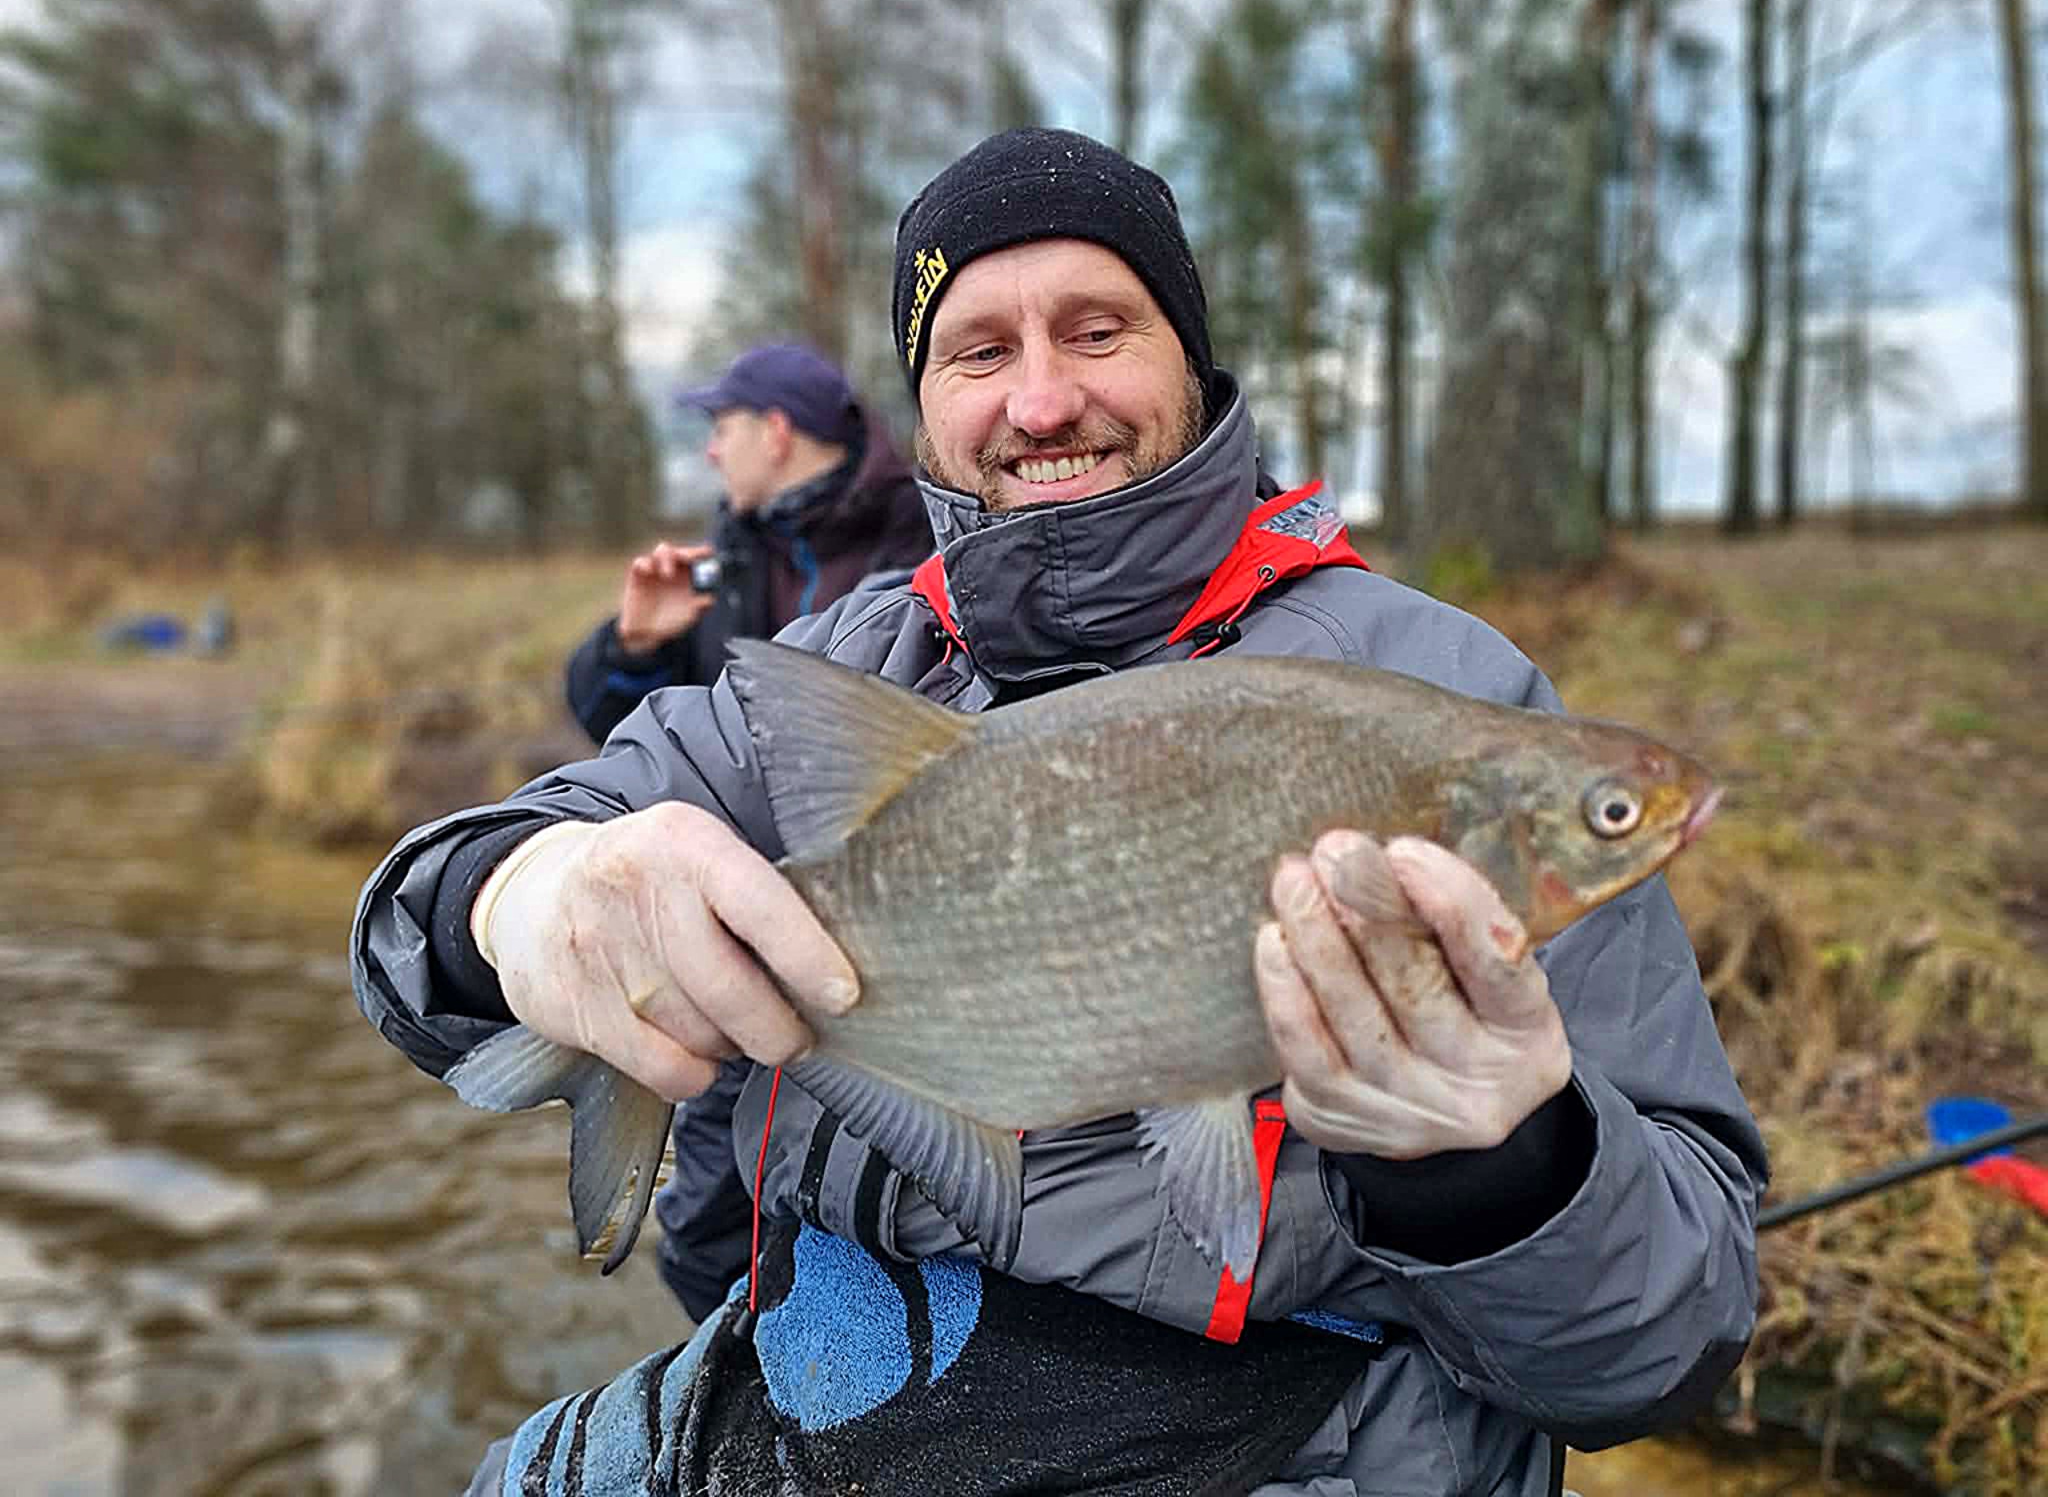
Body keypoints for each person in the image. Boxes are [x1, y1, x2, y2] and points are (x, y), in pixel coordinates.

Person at [352, 128, 1766, 1497]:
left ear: (1188, 358)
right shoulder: (837, 673)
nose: (1040, 401)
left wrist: (1496, 1167)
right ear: (925, 406)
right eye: (978, 351)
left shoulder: (1451, 687)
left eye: (1098, 330)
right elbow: (419, 934)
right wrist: (521, 899)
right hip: (830, 1400)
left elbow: (1664, 1344)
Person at [563, 341, 933, 745]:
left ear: (776, 434)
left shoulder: (927, 546)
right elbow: (618, 733)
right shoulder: (723, 563)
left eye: (722, 430)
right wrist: (633, 649)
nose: (712, 452)